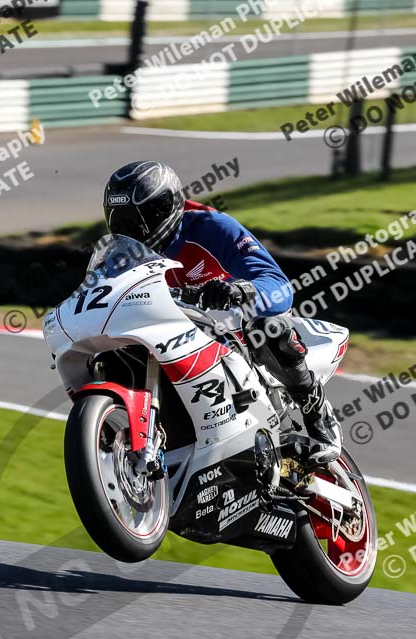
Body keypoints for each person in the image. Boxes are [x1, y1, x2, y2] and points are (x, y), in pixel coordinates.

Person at [103, 160, 341, 464]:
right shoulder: (120, 258)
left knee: (270, 330)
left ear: (165, 208)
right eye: (120, 224)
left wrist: (242, 290)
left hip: (234, 329)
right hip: (171, 334)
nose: (132, 232)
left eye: (139, 220)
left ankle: (316, 411)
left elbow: (279, 285)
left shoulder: (210, 227)